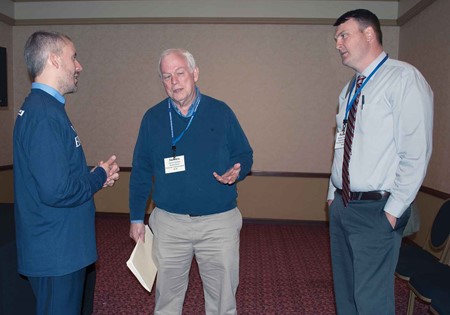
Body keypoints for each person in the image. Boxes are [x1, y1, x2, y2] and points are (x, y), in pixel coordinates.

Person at [129, 48, 253, 315]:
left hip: (218, 223)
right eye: (166, 76)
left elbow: (244, 154)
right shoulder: (153, 118)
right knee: (167, 302)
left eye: (180, 73)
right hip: (170, 225)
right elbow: (140, 170)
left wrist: (237, 170)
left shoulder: (221, 112)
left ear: (195, 74)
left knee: (222, 302)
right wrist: (136, 218)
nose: (174, 81)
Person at [326, 9, 433, 315]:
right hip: (343, 207)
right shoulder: (350, 89)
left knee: (371, 300)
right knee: (346, 295)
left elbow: (415, 153)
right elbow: (341, 146)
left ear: (369, 34)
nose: (338, 44)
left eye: (344, 35)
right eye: (336, 38)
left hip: (377, 210)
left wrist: (392, 212)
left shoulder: (403, 79)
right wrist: (332, 196)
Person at [13, 31, 120, 315]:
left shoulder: (46, 109)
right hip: (55, 252)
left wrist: (96, 173)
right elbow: (56, 190)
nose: (79, 65)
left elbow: (56, 173)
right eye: (73, 57)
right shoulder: (43, 115)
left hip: (60, 248)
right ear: (54, 60)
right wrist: (97, 177)